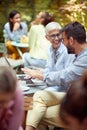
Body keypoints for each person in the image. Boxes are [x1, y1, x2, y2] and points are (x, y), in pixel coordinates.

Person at [24, 21, 87, 130]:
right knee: (37, 100)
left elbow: (65, 76)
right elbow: (55, 71)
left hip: (79, 103)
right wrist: (40, 73)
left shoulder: (81, 57)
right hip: (73, 97)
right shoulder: (78, 54)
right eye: (52, 36)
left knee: (34, 109)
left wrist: (41, 75)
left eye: (63, 39)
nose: (60, 41)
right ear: (47, 37)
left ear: (71, 40)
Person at [22, 22, 74, 92]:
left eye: (58, 35)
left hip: (62, 87)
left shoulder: (66, 50)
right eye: (52, 36)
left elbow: (62, 76)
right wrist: (36, 73)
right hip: (52, 84)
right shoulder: (50, 49)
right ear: (47, 37)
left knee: (39, 94)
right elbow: (49, 69)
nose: (56, 38)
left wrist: (39, 75)